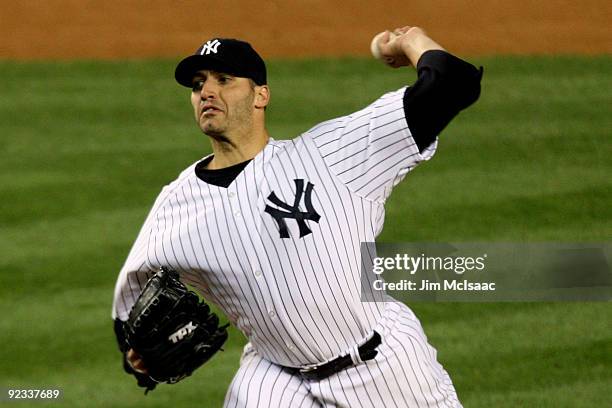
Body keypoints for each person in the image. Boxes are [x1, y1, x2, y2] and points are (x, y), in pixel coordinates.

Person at [112, 26, 482, 407]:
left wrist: (410, 41)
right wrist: (136, 358)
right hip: (275, 377)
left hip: (383, 367)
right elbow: (132, 307)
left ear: (261, 95)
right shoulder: (174, 205)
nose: (207, 92)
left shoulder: (332, 154)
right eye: (197, 84)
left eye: (224, 80)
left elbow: (456, 82)